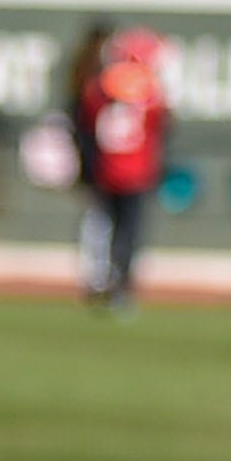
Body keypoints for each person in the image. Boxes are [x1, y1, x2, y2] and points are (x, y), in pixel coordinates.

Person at [70, 23, 169, 313]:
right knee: (128, 232)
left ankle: (99, 279)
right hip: (134, 170)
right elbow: (159, 125)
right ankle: (120, 286)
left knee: (101, 226)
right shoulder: (148, 88)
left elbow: (86, 118)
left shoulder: (103, 84)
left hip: (107, 167)